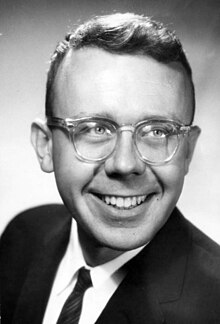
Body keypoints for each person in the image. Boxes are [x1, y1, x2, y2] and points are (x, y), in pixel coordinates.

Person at [1, 12, 220, 324]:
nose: (125, 163)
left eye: (157, 132)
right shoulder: (23, 236)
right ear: (45, 145)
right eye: (95, 128)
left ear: (187, 152)